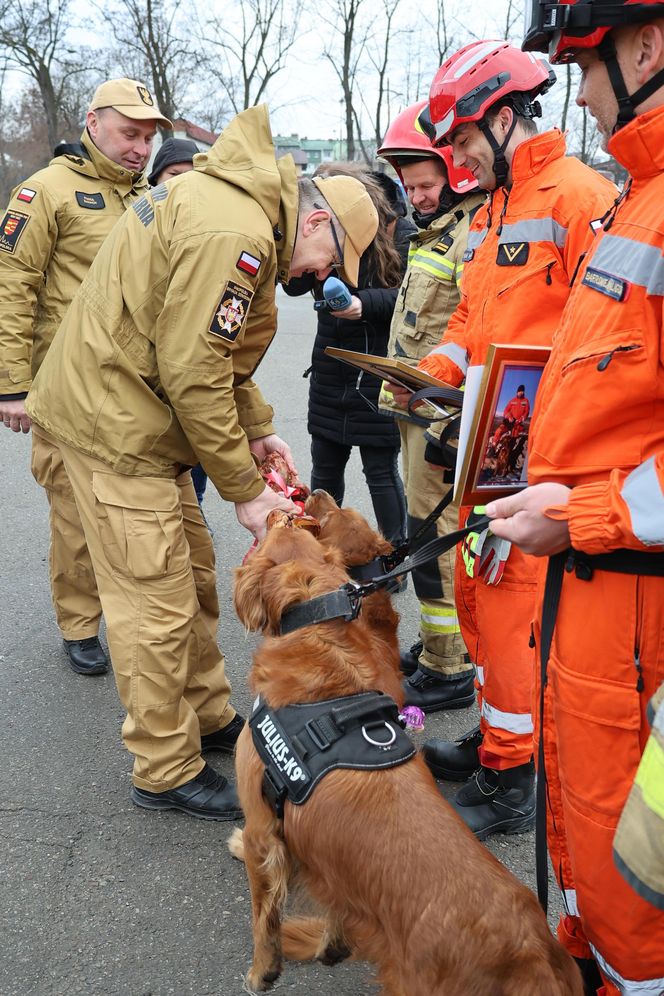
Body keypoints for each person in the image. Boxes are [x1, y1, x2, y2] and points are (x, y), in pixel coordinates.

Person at [24, 104, 378, 821]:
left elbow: (210, 356)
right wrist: (247, 491)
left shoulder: (234, 209)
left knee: (191, 575)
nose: (318, 282)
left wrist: (258, 432)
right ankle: (166, 768)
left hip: (138, 419)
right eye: (328, 266)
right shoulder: (236, 232)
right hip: (113, 428)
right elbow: (192, 368)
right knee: (153, 602)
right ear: (315, 224)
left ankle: (210, 717)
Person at [481, 2, 664, 990]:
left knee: (635, 873)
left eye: (585, 65)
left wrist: (577, 512)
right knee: (593, 849)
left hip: (635, 600)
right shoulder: (640, 198)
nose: (579, 92)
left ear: (648, 45)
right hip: (598, 595)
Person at [401, 41, 616, 840]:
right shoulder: (490, 213)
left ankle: (512, 777)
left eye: (461, 143)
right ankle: (497, 739)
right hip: (483, 442)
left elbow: (601, 340)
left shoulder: (578, 198)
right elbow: (469, 324)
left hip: (535, 452)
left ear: (499, 118)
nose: (456, 161)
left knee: (514, 607)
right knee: (479, 598)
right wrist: (428, 371)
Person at [0, 78, 171, 676]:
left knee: (136, 514)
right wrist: (11, 385)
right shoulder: (46, 192)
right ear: (93, 123)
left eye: (149, 136)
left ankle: (138, 614)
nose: (140, 147)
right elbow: (11, 287)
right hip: (63, 392)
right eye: (130, 133)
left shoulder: (149, 197)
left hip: (133, 394)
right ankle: (79, 624)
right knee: (73, 515)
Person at [376, 100, 485, 709]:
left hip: (441, 411)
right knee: (426, 527)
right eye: (408, 185)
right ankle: (443, 645)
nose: (415, 196)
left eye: (425, 183)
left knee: (434, 530)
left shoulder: (472, 231)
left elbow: (471, 329)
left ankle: (449, 667)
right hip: (417, 405)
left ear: (455, 173)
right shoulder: (439, 228)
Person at [283, 162, 412, 550]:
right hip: (330, 368)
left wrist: (362, 303)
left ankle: (394, 554)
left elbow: (409, 297)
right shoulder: (324, 231)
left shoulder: (398, 231)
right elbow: (292, 285)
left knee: (379, 470)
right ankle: (324, 549)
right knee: (324, 470)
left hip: (374, 373)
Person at [148, 138, 210, 512]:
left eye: (192, 176)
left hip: (188, 354)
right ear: (156, 179)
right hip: (144, 359)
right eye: (174, 175)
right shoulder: (137, 220)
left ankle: (195, 505)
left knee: (196, 433)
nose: (184, 184)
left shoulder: (206, 226)